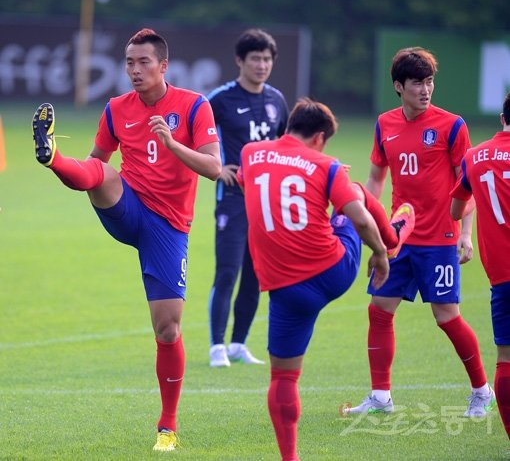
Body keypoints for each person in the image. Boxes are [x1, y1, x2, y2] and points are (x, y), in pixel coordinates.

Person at [31, 28, 221, 452]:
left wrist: (172, 143)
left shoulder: (194, 107)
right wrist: (66, 165)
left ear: (163, 66)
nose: (134, 71)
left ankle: (167, 428)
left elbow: (213, 167)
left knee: (168, 329)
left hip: (168, 228)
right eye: (129, 63)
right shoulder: (117, 108)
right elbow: (94, 165)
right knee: (102, 173)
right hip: (127, 207)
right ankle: (50, 156)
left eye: (143, 63)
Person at [236, 97, 415, 461]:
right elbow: (361, 222)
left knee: (283, 380)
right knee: (356, 195)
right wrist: (381, 255)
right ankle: (395, 235)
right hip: (333, 271)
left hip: (284, 289)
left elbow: (250, 186)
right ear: (319, 137)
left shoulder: (251, 154)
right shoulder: (327, 165)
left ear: (288, 126)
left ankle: (290, 457)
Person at [346, 46, 495, 416]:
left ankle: (482, 390)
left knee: (447, 316)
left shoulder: (452, 125)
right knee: (379, 310)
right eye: (417, 83)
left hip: (441, 238)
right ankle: (380, 397)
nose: (425, 90)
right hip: (399, 238)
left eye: (429, 82)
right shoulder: (385, 124)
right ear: (399, 86)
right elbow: (377, 179)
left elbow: (469, 185)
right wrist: (371, 219)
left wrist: (465, 234)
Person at [207, 28, 289, 367]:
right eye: (255, 58)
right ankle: (217, 347)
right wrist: (216, 168)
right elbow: (196, 138)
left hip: (266, 201)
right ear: (240, 61)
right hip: (232, 199)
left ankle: (239, 344)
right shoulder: (220, 100)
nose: (262, 64)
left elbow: (286, 145)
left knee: (258, 274)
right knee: (227, 272)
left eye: (267, 59)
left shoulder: (276, 100)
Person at [451, 91, 510, 439]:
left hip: (502, 274)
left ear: (503, 118)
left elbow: (457, 208)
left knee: (505, 358)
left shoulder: (476, 156)